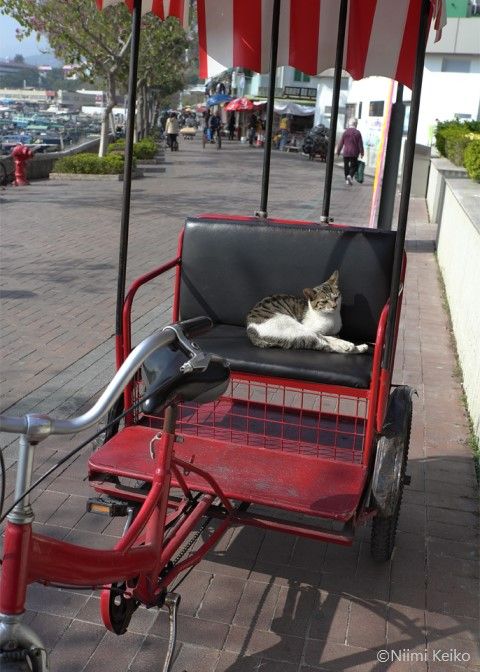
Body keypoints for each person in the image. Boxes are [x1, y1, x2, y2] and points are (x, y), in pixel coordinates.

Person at [336, 118, 364, 185]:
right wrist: (362, 152)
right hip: (354, 153)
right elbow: (360, 144)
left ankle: (347, 179)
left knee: (346, 166)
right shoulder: (357, 133)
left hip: (346, 152)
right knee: (354, 166)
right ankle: (350, 176)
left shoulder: (345, 132)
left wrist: (338, 152)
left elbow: (341, 143)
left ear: (349, 124)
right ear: (356, 124)